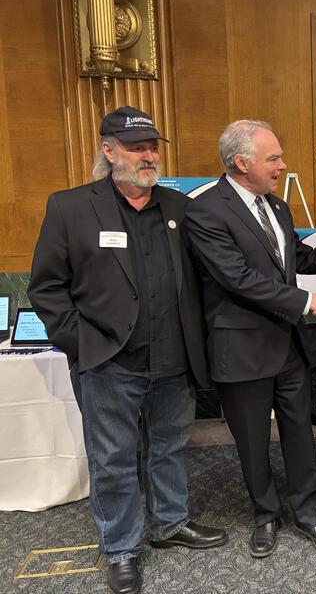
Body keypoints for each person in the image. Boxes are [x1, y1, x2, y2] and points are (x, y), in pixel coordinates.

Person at [28, 106, 227, 594]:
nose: (148, 155)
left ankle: (169, 523)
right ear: (108, 150)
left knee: (170, 447)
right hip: (109, 363)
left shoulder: (180, 209)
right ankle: (120, 547)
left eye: (153, 146)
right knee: (113, 458)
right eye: (137, 147)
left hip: (174, 359)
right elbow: (47, 289)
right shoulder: (70, 208)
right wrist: (82, 343)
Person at [183, 120, 316, 559]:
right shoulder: (205, 211)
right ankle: (265, 515)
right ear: (242, 162)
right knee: (252, 440)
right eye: (273, 158)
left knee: (300, 433)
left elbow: (298, 257)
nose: (282, 165)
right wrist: (307, 303)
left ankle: (310, 513)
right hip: (240, 349)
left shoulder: (276, 207)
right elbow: (238, 279)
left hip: (288, 347)